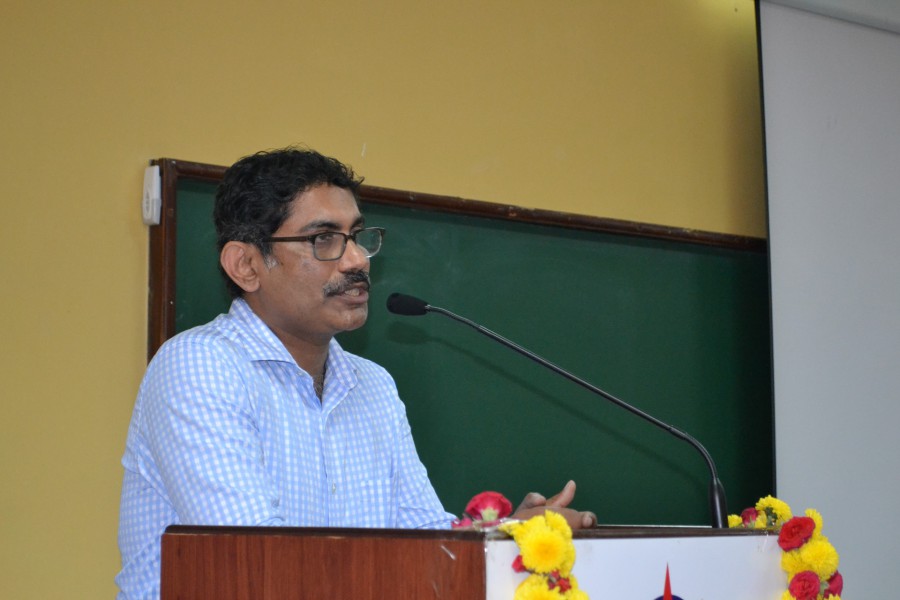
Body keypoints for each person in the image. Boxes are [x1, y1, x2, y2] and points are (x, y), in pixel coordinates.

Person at [115, 147, 595, 599]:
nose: (358, 259)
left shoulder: (372, 385)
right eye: (323, 239)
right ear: (246, 265)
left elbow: (424, 540)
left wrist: (507, 538)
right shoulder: (201, 366)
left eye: (357, 236)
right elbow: (258, 563)